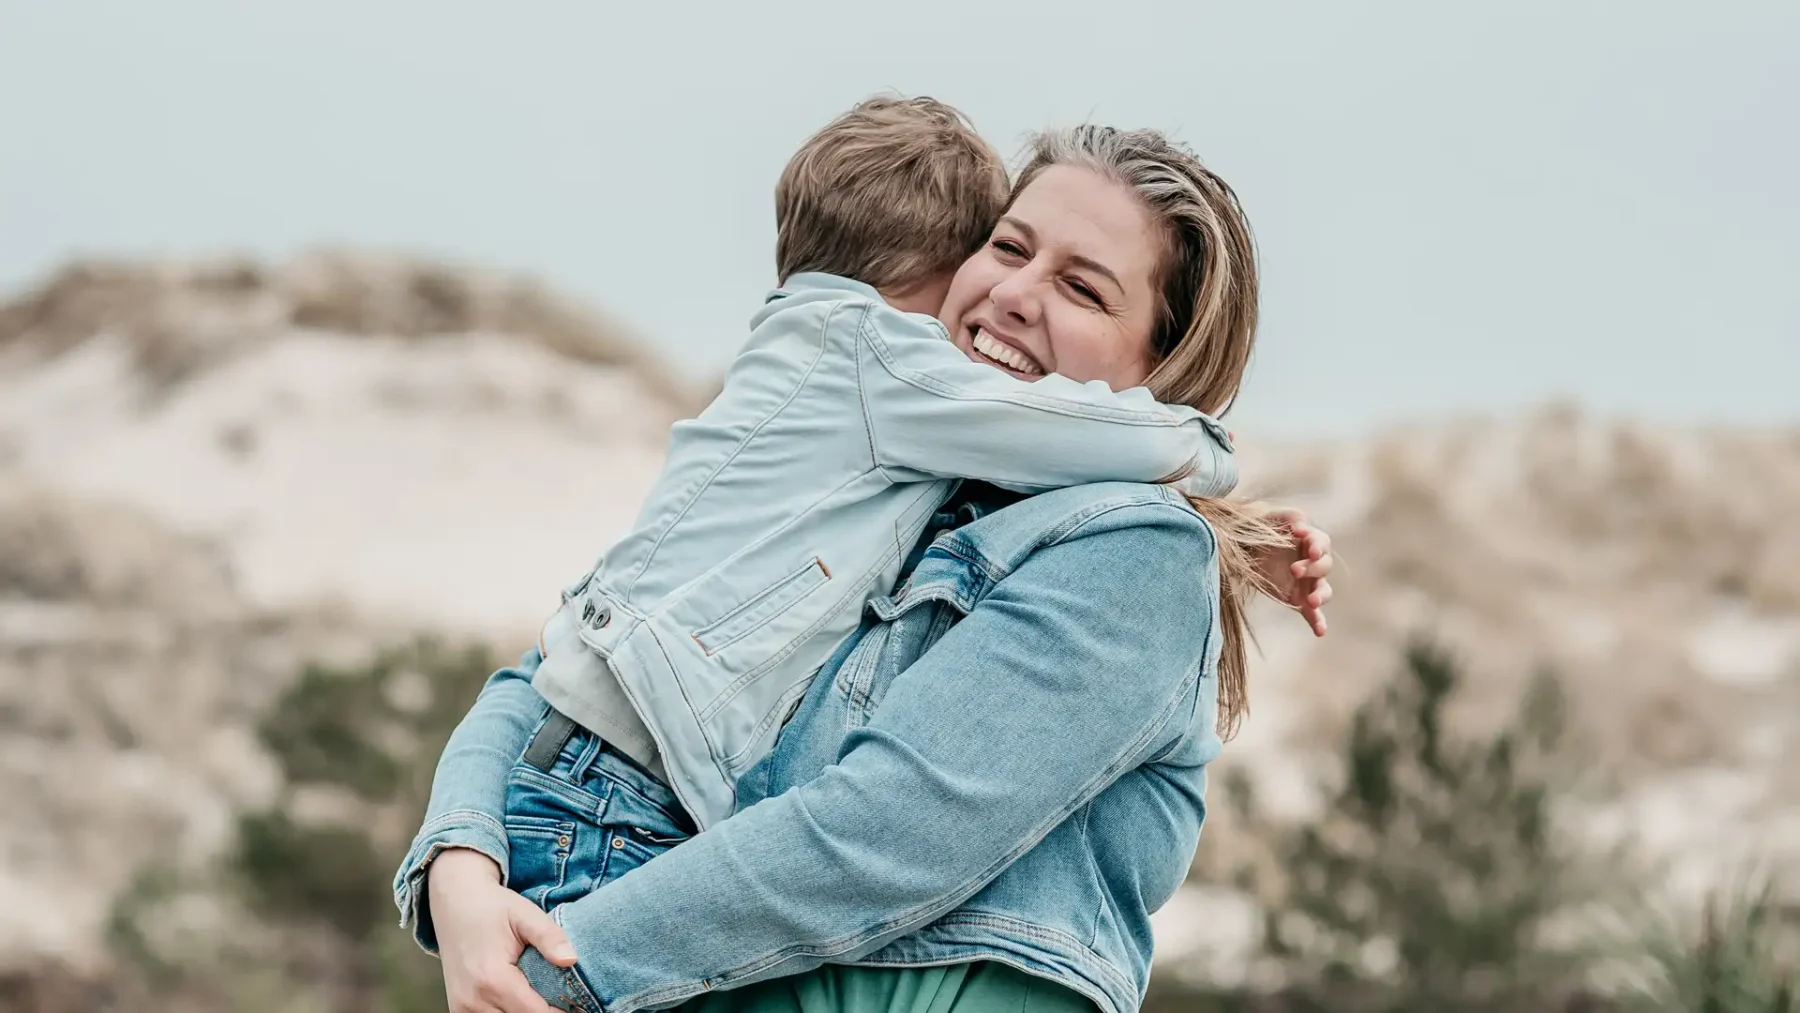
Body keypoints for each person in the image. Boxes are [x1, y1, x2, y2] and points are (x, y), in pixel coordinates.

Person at [405, 119, 1334, 1013]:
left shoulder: (1136, 549)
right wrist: (460, 870)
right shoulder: (892, 487)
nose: (1017, 294)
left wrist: (562, 974)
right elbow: (560, 667)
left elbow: (882, 834)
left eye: (1084, 290)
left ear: (1164, 374)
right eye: (1009, 248)